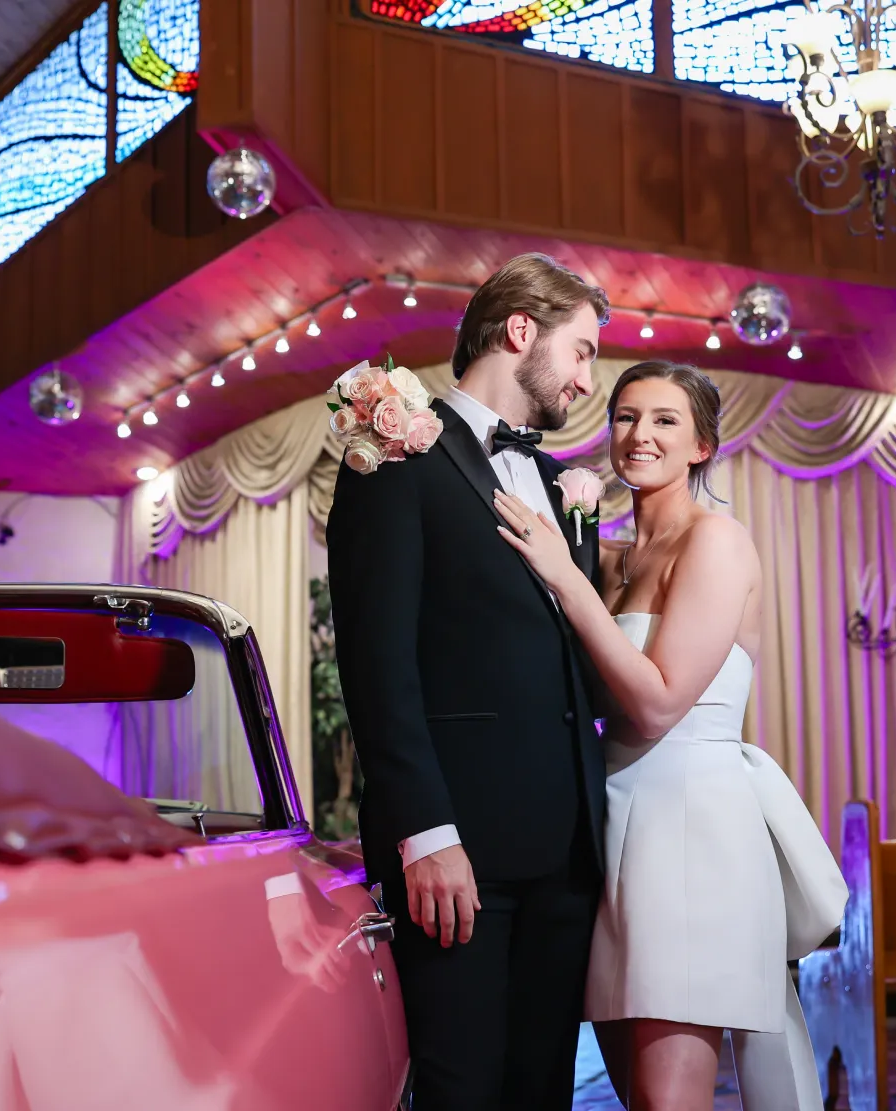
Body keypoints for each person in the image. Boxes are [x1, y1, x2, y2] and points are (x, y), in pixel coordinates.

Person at [494, 360, 848, 1111]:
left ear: (702, 446)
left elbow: (657, 703)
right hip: (614, 822)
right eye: (625, 416)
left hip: (690, 822)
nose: (639, 434)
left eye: (663, 420)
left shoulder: (715, 542)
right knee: (638, 1096)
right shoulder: (611, 556)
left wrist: (566, 579)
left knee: (668, 1100)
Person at [326, 253, 611, 1110]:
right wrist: (425, 832)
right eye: (585, 350)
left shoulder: (564, 486)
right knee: (460, 1091)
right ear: (521, 331)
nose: (587, 380)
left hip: (567, 853)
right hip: (460, 853)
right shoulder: (396, 454)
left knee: (542, 1090)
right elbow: (377, 661)